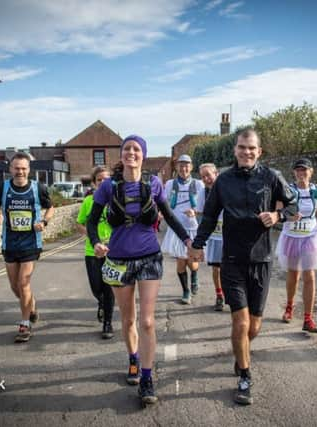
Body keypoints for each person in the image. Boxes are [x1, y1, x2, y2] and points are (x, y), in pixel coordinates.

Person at [189, 128, 294, 405]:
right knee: (241, 321)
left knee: (255, 326)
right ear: (235, 150)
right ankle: (245, 375)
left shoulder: (271, 177)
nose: (246, 152)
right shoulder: (223, 181)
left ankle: (242, 352)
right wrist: (197, 245)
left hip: (261, 261)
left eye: (252, 148)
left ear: (259, 151)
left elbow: (295, 206)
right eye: (242, 147)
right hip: (232, 260)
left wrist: (278, 214)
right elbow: (210, 216)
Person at [86, 135, 191, 406]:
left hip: (149, 259)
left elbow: (168, 214)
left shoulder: (153, 183)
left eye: (136, 149)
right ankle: (133, 358)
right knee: (128, 319)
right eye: (127, 149)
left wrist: (189, 241)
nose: (131, 153)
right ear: (121, 156)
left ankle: (146, 377)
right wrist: (96, 242)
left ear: (142, 155)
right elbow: (92, 219)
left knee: (147, 321)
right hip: (119, 260)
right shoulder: (109, 186)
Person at [0, 152, 54, 343]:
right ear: (10, 169)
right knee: (15, 287)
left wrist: (44, 221)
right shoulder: (2, 188)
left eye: (24, 168)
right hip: (10, 242)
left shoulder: (37, 188)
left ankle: (25, 324)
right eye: (16, 168)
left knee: (23, 283)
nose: (20, 172)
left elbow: (50, 207)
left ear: (29, 169)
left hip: (30, 242)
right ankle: (31, 306)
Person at [277, 158, 317, 333]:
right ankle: (289, 307)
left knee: (310, 276)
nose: (301, 173)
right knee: (294, 275)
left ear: (311, 171)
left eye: (304, 170)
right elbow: (278, 210)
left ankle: (308, 319)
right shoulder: (288, 190)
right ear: (294, 172)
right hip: (291, 236)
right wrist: (288, 216)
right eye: (298, 170)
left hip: (310, 235)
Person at [77, 165, 115, 339]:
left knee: (109, 288)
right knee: (96, 287)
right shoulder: (88, 201)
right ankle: (101, 303)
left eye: (106, 179)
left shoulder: (116, 200)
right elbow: (80, 223)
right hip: (92, 251)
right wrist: (92, 237)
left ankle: (108, 323)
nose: (102, 182)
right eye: (99, 180)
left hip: (113, 252)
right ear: (93, 183)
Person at [161, 154, 205, 304]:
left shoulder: (199, 184)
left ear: (191, 167)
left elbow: (205, 206)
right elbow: (164, 204)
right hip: (176, 230)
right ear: (176, 167)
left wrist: (195, 212)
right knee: (181, 262)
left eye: (186, 165)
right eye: (180, 165)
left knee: (192, 262)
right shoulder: (169, 184)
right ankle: (186, 291)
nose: (183, 168)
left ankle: (194, 275)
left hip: (193, 228)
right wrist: (160, 214)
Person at [198, 163, 225, 311]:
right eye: (203, 177)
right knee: (217, 269)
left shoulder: (228, 189)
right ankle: (219, 295)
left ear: (216, 173)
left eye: (208, 175)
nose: (206, 179)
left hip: (230, 236)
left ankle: (234, 295)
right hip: (215, 236)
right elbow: (201, 213)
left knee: (231, 268)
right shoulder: (204, 193)